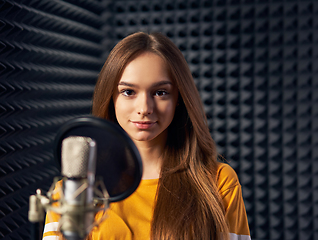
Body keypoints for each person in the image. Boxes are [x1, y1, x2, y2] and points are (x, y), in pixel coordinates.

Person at [42, 32, 250, 240]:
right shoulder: (73, 191)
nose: (144, 108)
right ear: (111, 97)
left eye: (160, 92)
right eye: (128, 92)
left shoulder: (218, 181)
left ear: (179, 97)